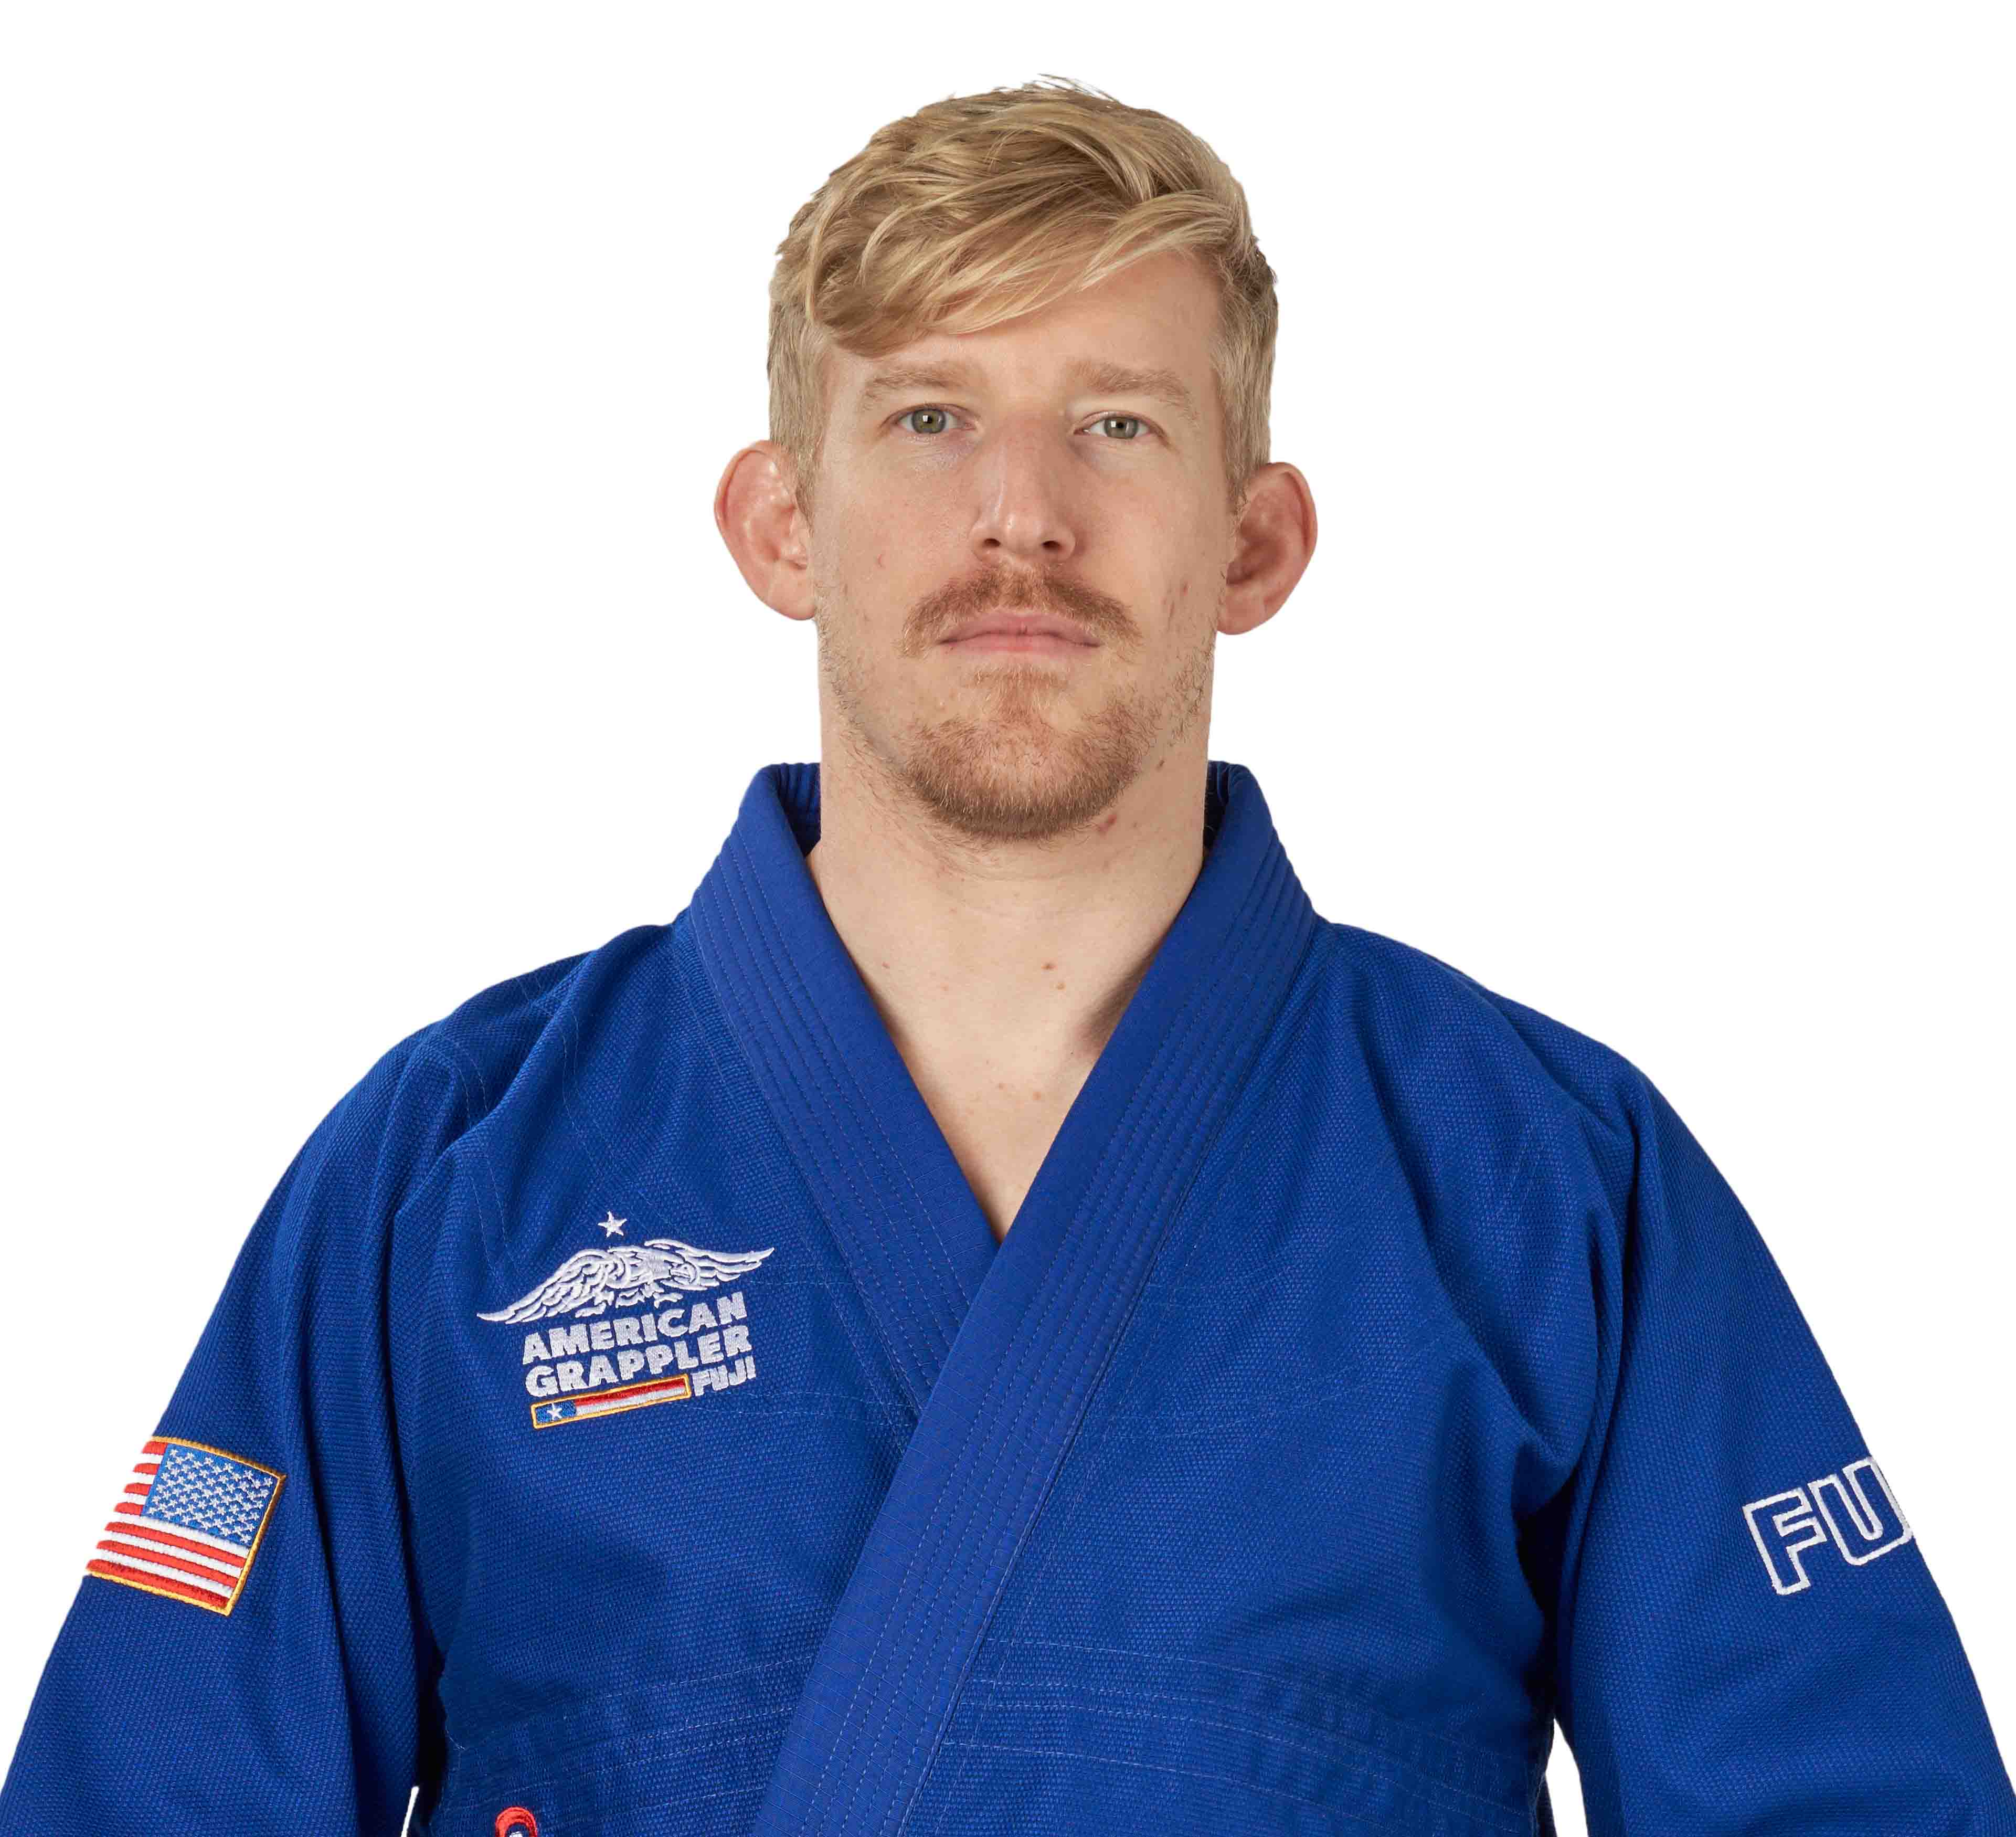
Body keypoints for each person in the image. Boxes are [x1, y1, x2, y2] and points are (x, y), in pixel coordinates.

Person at [2, 73, 2010, 1837]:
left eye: (1120, 424)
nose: (1021, 517)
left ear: (1255, 539)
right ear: (782, 521)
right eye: (930, 416)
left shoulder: (1537, 1170)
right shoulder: (452, 1169)